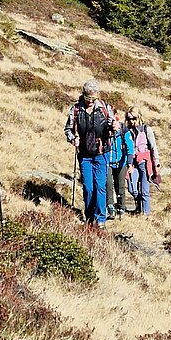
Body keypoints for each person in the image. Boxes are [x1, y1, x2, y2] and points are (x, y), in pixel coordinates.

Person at [64, 79, 115, 229]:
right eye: (88, 98)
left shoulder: (104, 108)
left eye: (94, 98)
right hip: (85, 154)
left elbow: (113, 125)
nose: (91, 102)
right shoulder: (76, 110)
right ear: (83, 95)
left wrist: (114, 127)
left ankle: (100, 219)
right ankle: (89, 215)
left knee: (100, 186)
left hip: (101, 152)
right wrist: (73, 139)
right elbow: (67, 129)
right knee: (88, 187)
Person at [124, 106, 160, 216]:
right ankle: (139, 205)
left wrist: (157, 163)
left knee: (145, 191)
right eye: (129, 118)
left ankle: (146, 214)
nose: (131, 121)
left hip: (145, 162)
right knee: (132, 188)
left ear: (139, 117)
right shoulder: (126, 131)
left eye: (133, 118)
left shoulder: (146, 130)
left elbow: (153, 147)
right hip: (132, 163)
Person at [106, 111, 134, 217]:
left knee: (120, 185)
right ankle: (110, 206)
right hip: (108, 162)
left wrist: (129, 162)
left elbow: (130, 147)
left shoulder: (124, 130)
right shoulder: (105, 129)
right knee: (108, 184)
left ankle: (121, 206)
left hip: (121, 162)